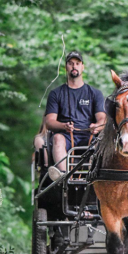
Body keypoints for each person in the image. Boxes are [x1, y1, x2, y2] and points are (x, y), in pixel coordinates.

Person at [45, 50, 106, 181]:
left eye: (77, 63)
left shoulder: (95, 93)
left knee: (100, 142)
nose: (74, 66)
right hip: (66, 136)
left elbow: (102, 118)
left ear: (82, 66)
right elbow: (49, 122)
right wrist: (63, 125)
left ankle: (94, 176)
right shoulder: (56, 94)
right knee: (57, 138)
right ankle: (63, 176)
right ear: (66, 67)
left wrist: (97, 126)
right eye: (71, 63)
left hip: (89, 136)